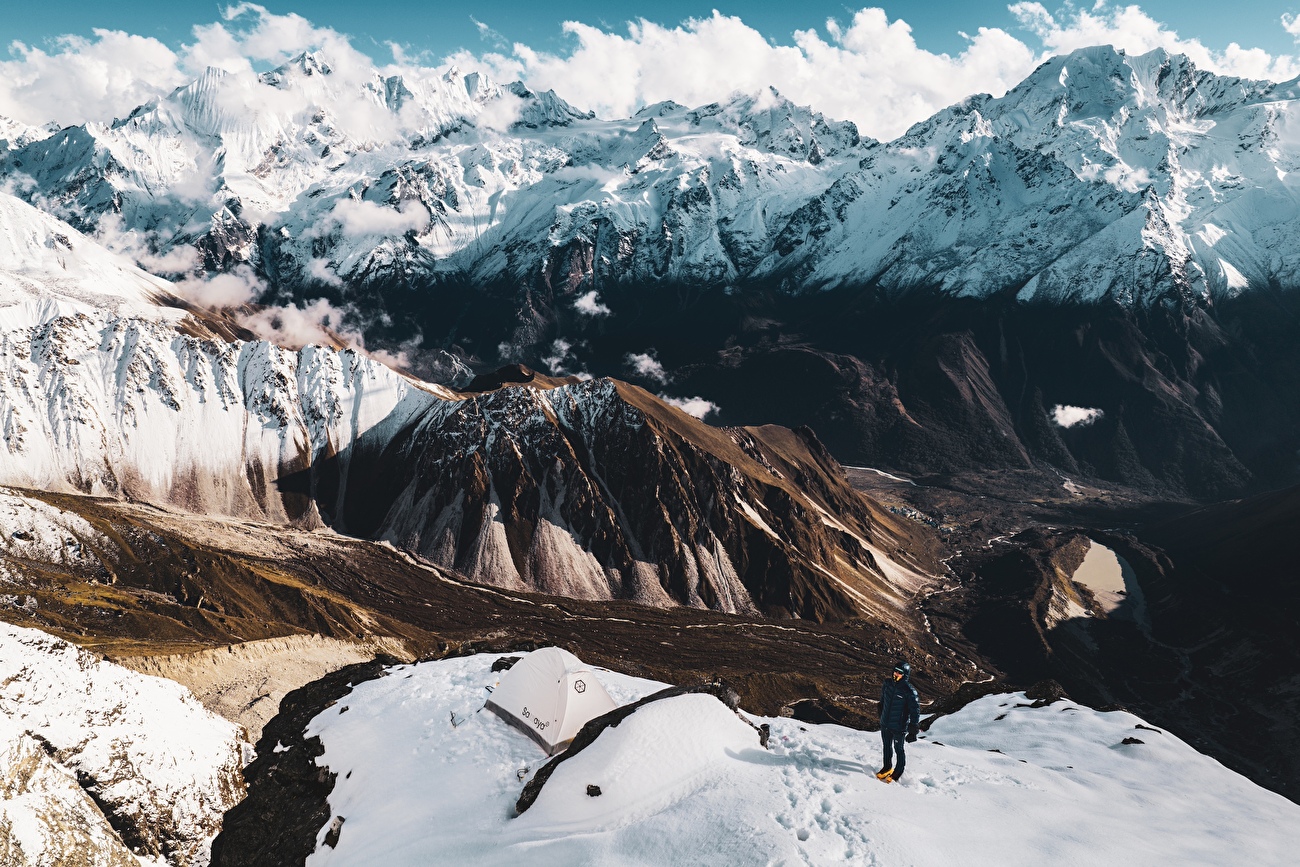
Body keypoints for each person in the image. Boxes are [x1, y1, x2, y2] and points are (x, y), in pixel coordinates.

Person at [876, 661, 920, 783]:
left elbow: (915, 711)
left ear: (905, 675)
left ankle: (898, 771)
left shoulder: (909, 691)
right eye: (895, 671)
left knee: (898, 749)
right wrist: (881, 715)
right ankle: (887, 767)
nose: (896, 674)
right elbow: (882, 701)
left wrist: (913, 729)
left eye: (900, 672)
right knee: (886, 747)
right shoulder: (887, 684)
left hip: (899, 726)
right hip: (885, 723)